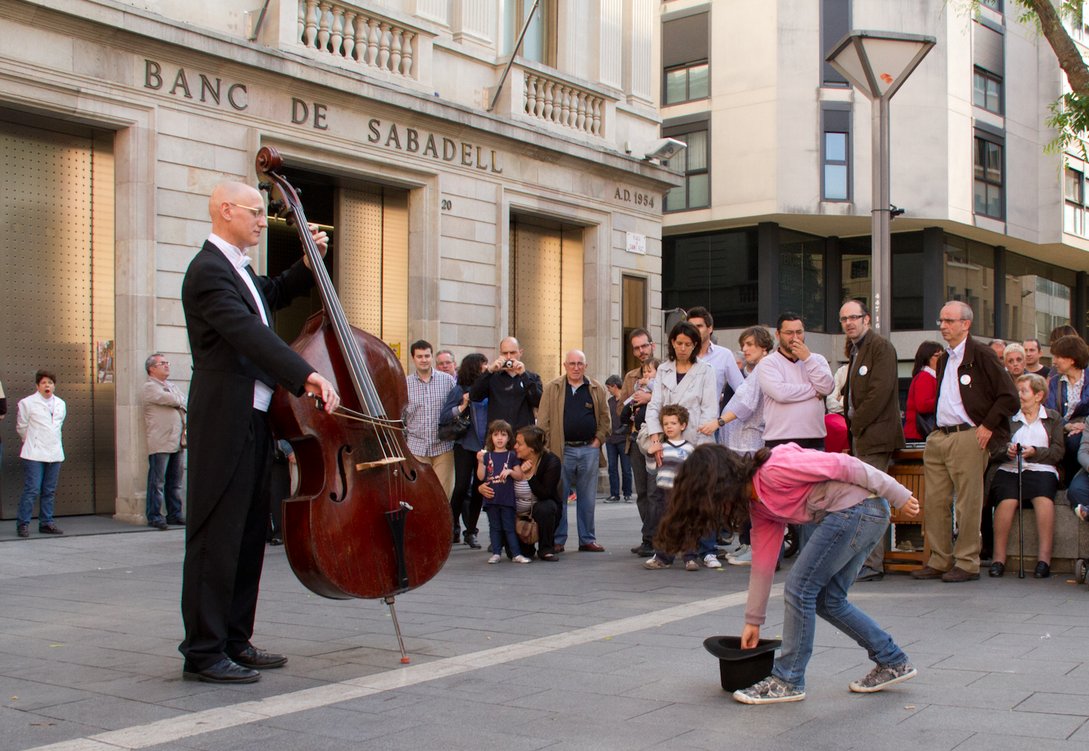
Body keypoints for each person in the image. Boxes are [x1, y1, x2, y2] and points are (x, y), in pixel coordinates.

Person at [178, 181, 340, 685]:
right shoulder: (207, 272)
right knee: (215, 534)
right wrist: (305, 373)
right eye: (253, 212)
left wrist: (306, 267)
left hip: (255, 418)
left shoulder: (238, 271)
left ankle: (234, 640)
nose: (261, 220)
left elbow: (268, 296)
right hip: (224, 416)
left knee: (248, 534)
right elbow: (249, 332)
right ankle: (203, 651)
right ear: (225, 211)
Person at [655, 443, 920, 704]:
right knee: (828, 600)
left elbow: (846, 464)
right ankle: (892, 660)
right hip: (862, 514)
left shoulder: (775, 468)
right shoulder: (758, 505)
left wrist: (899, 494)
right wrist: (753, 622)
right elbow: (763, 563)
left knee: (800, 588)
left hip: (859, 511)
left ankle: (788, 679)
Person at [914, 301, 1018, 583]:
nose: (943, 326)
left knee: (968, 503)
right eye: (941, 321)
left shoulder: (982, 354)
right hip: (941, 435)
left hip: (968, 435)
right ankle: (939, 559)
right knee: (935, 501)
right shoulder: (946, 357)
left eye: (949, 321)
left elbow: (1009, 396)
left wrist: (986, 426)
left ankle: (967, 562)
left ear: (966, 324)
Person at [838, 299, 905, 583]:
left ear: (867, 319)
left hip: (875, 436)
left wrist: (857, 424)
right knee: (865, 499)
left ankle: (872, 563)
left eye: (854, 317)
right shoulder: (856, 350)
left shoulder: (880, 347)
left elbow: (880, 392)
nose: (849, 323)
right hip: (863, 436)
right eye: (844, 319)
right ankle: (867, 561)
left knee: (872, 500)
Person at [644, 321, 720, 565]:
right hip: (668, 440)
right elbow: (654, 405)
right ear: (672, 343)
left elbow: (710, 408)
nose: (683, 348)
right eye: (679, 343)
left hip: (697, 440)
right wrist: (656, 436)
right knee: (668, 500)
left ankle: (706, 550)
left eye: (688, 344)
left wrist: (703, 449)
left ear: (696, 345)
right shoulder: (664, 370)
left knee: (701, 497)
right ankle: (665, 550)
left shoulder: (706, 370)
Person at [706, 325, 773, 567]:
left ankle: (755, 546)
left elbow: (746, 403)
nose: (744, 350)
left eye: (750, 345)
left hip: (748, 443)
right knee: (746, 498)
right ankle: (748, 543)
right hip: (740, 442)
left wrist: (720, 421)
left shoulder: (765, 367)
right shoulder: (756, 369)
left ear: (764, 347)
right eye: (743, 345)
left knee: (752, 498)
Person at [987, 374, 1063, 579]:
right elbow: (994, 449)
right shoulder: (1009, 417)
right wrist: (1008, 451)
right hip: (1011, 468)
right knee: (1007, 500)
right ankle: (998, 559)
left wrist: (1035, 452)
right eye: (1017, 390)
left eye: (1023, 391)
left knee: (1043, 499)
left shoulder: (1053, 417)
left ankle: (1043, 560)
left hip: (1041, 468)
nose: (1018, 395)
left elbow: (1057, 451)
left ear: (1038, 395)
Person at [537, 349, 611, 552]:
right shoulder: (552, 388)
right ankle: (558, 539)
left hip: (589, 449)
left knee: (587, 497)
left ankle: (587, 539)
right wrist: (548, 449)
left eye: (580, 364)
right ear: (565, 366)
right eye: (572, 364)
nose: (576, 368)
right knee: (559, 496)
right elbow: (543, 422)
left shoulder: (596, 388)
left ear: (585, 366)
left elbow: (605, 419)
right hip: (561, 451)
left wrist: (598, 440)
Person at [643, 405, 715, 570]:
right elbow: (651, 469)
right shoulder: (661, 448)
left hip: (684, 494)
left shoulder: (689, 448)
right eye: (666, 423)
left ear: (682, 426)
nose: (669, 426)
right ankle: (663, 557)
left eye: (673, 423)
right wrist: (650, 454)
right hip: (665, 493)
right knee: (665, 525)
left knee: (687, 524)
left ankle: (690, 557)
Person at [479, 425, 562, 561]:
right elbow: (491, 475)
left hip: (538, 510)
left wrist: (530, 476)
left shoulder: (551, 461)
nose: (515, 446)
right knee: (518, 554)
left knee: (546, 507)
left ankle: (546, 548)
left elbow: (545, 494)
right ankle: (520, 546)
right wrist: (481, 488)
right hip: (515, 514)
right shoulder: (512, 458)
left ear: (532, 448)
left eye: (519, 444)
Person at [754, 313, 835, 451]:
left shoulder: (817, 360)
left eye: (799, 332)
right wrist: (815, 389)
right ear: (778, 335)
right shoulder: (768, 363)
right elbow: (781, 393)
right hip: (779, 440)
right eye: (789, 333)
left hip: (814, 440)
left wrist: (808, 359)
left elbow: (827, 387)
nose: (795, 338)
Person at [439, 352, 489, 548]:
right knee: (460, 488)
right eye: (483, 365)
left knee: (479, 490)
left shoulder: (489, 388)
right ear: (474, 367)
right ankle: (453, 528)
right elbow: (444, 416)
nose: (486, 368)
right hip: (465, 445)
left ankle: (472, 531)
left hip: (483, 447)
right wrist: (463, 405)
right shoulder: (460, 389)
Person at [620, 329, 659, 555]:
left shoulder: (665, 371)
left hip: (657, 438)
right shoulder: (630, 377)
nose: (641, 351)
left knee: (656, 491)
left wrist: (649, 397)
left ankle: (658, 537)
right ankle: (649, 537)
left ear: (652, 346)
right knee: (642, 492)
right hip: (635, 439)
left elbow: (673, 401)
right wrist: (631, 404)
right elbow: (620, 408)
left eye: (644, 346)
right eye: (636, 348)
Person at [15, 369, 66, 538]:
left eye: (50, 383)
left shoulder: (60, 403)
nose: (47, 386)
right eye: (44, 383)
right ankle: (23, 523)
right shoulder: (27, 403)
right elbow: (22, 427)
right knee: (32, 489)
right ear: (37, 385)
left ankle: (46, 522)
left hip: (55, 452)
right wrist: (32, 441)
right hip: (34, 453)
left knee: (49, 490)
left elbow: (58, 426)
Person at [404, 339, 457, 498]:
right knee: (419, 493)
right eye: (419, 356)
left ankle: (442, 523)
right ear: (413, 358)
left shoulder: (447, 381)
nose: (424, 360)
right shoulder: (405, 384)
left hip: (443, 447)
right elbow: (401, 417)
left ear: (432, 357)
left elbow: (455, 408)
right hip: (416, 447)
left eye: (427, 356)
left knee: (442, 494)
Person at [141, 353, 187, 530]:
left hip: (177, 440)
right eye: (162, 363)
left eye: (167, 362)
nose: (167, 365)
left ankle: (174, 514)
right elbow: (174, 400)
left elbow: (184, 401)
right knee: (157, 481)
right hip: (160, 441)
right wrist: (178, 401)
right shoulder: (150, 387)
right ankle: (154, 515)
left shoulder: (172, 385)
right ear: (151, 368)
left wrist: (179, 401)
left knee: (175, 482)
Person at [477, 420, 530, 564]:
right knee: (494, 527)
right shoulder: (487, 456)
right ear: (491, 437)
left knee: (509, 527)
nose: (499, 438)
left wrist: (510, 471)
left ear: (508, 438)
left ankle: (516, 554)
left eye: (503, 435)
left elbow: (519, 475)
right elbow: (481, 476)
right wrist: (480, 462)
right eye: (496, 435)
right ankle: (496, 552)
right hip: (491, 498)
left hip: (507, 499)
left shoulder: (511, 456)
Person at [469, 336, 542, 431]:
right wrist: (490, 371)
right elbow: (474, 396)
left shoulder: (532, 377)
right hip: (498, 436)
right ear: (500, 354)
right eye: (505, 353)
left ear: (520, 353)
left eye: (512, 353)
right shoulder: (492, 377)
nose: (508, 357)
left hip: (523, 436)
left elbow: (539, 402)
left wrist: (524, 375)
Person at [1043, 334, 1089, 485]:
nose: (1054, 361)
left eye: (1058, 357)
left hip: (1086, 429)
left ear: (1072, 359)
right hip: (1060, 429)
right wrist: (1067, 426)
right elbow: (1050, 411)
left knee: (1075, 441)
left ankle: (1073, 483)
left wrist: (1085, 425)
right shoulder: (1055, 382)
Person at [686, 306, 745, 416]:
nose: (694, 330)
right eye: (690, 327)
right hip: (679, 426)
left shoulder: (724, 355)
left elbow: (742, 392)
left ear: (710, 328)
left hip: (709, 426)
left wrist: (726, 418)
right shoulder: (681, 356)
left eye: (699, 326)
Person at [903, 341, 942, 442]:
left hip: (921, 433)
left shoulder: (931, 376)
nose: (941, 359)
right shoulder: (925, 377)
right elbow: (922, 405)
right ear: (927, 358)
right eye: (938, 355)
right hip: (918, 434)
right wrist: (943, 400)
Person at [603, 374, 633, 503]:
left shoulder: (628, 400)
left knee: (626, 468)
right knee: (612, 468)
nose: (608, 390)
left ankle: (627, 493)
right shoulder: (609, 402)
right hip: (610, 440)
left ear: (615, 386)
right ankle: (614, 494)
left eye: (609, 387)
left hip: (624, 438)